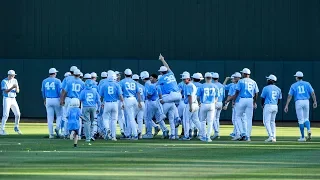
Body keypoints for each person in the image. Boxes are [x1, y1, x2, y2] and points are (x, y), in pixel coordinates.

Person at [225, 68, 259, 141]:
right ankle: (248, 136)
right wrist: (254, 102)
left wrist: (230, 100)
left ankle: (242, 133)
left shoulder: (241, 81)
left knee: (238, 116)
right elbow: (256, 93)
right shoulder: (253, 82)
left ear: (244, 74)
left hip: (242, 99)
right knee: (249, 119)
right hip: (250, 99)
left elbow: (237, 93)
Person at [284, 71, 317, 142]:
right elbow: (313, 93)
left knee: (300, 120)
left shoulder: (293, 85)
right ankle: (308, 130)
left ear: (297, 77)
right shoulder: (307, 84)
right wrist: (315, 101)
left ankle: (302, 137)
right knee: (306, 118)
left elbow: (290, 96)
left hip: (298, 102)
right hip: (306, 101)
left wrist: (286, 105)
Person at [142, 72, 168, 139]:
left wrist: (147, 96)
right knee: (159, 118)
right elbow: (160, 95)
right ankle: (165, 130)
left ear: (155, 78)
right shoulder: (158, 86)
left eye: (151, 78)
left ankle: (149, 134)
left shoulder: (151, 85)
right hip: (157, 102)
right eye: (150, 78)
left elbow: (149, 95)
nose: (150, 79)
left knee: (148, 118)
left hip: (151, 102)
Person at [99, 72, 124, 141]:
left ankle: (107, 129)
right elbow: (120, 95)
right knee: (114, 120)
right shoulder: (117, 85)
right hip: (115, 103)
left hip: (107, 103)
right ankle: (113, 136)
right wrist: (122, 103)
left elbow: (100, 96)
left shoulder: (104, 85)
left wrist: (101, 103)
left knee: (105, 118)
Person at [60, 69, 85, 138]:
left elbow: (64, 92)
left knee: (67, 116)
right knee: (79, 117)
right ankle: (78, 134)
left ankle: (66, 133)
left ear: (73, 74)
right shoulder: (82, 83)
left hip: (70, 99)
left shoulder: (69, 82)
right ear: (79, 75)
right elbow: (83, 93)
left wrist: (62, 100)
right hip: (78, 100)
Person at [119, 69, 142, 140]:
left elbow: (120, 93)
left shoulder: (122, 82)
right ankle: (130, 133)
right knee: (131, 118)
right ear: (131, 75)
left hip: (127, 99)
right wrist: (139, 102)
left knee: (131, 118)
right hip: (134, 99)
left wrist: (122, 102)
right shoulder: (134, 82)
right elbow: (138, 93)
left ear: (124, 74)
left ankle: (135, 134)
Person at [197, 72, 218, 142]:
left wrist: (198, 103)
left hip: (204, 104)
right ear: (211, 78)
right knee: (210, 121)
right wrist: (214, 103)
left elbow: (198, 96)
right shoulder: (215, 86)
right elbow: (217, 97)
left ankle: (203, 136)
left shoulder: (202, 86)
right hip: (212, 104)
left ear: (205, 78)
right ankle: (208, 137)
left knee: (202, 121)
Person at [41, 68, 62, 138]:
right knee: (59, 115)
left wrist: (44, 100)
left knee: (50, 118)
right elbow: (60, 92)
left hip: (48, 99)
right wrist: (62, 100)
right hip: (56, 99)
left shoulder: (44, 81)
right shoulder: (58, 81)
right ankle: (58, 127)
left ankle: (51, 134)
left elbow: (43, 92)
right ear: (55, 73)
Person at [261, 75, 282, 142]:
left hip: (268, 105)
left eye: (268, 79)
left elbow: (262, 98)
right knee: (272, 121)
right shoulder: (278, 89)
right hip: (275, 105)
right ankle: (274, 136)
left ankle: (271, 136)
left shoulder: (266, 88)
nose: (267, 80)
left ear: (271, 80)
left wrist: (262, 105)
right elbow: (279, 100)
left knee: (266, 122)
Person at [0, 70, 21, 135]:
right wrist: (12, 87)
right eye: (12, 75)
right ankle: (2, 130)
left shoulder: (15, 80)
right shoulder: (4, 81)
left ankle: (16, 127)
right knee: (6, 115)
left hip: (13, 98)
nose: (13, 76)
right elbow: (5, 91)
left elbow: (17, 91)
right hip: (7, 98)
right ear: (9, 75)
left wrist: (16, 88)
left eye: (14, 75)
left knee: (18, 114)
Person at [180, 72, 200, 140]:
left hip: (190, 104)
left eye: (185, 79)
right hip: (195, 103)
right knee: (196, 120)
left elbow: (189, 96)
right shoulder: (193, 85)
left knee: (186, 120)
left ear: (189, 79)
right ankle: (203, 133)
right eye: (183, 79)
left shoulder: (188, 85)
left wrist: (191, 106)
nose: (183, 80)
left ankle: (187, 136)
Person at [211, 72, 225, 139]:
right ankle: (217, 132)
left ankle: (216, 132)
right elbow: (224, 95)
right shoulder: (221, 85)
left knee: (213, 118)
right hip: (220, 102)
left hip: (215, 102)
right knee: (217, 118)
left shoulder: (212, 85)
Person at [132, 74, 145, 139]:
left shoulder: (133, 85)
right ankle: (140, 134)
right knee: (140, 119)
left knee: (132, 118)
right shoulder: (142, 86)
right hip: (143, 103)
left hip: (137, 102)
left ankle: (137, 130)